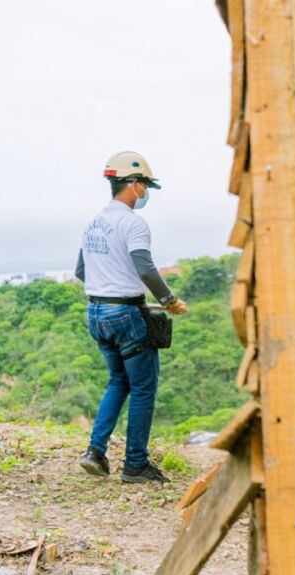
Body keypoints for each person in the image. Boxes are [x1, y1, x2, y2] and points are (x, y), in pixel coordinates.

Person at [77, 151, 188, 484]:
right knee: (143, 388)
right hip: (125, 314)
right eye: (144, 185)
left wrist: (107, 286)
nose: (145, 192)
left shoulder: (94, 223)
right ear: (133, 185)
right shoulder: (133, 223)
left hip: (96, 312)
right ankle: (135, 464)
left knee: (118, 381)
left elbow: (82, 270)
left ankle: (95, 451)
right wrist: (169, 300)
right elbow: (144, 266)